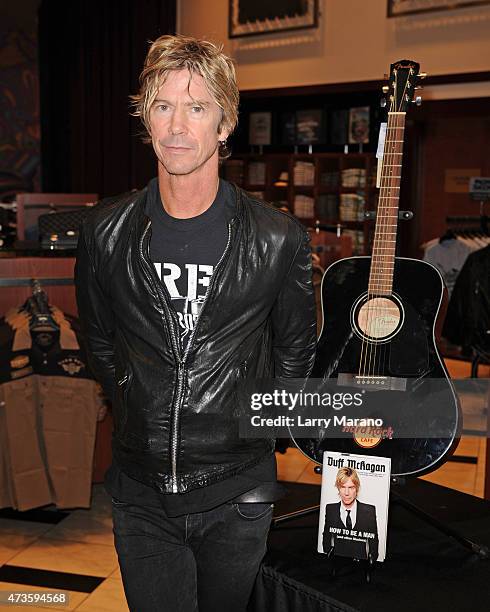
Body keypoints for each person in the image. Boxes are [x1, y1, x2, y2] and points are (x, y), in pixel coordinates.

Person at [75, 35, 317, 612]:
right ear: (145, 118)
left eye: (198, 107)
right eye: (163, 106)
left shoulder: (275, 237)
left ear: (225, 123)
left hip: (238, 492)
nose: (178, 126)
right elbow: (100, 342)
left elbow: (295, 354)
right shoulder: (104, 234)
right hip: (140, 492)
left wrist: (256, 428)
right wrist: (134, 400)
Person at [322, 467, 378, 561]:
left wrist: (372, 560)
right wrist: (327, 554)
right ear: (338, 488)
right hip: (337, 561)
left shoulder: (369, 510)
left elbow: (373, 539)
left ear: (357, 488)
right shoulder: (330, 509)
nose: (346, 493)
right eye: (343, 487)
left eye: (351, 487)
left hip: (361, 563)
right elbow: (327, 536)